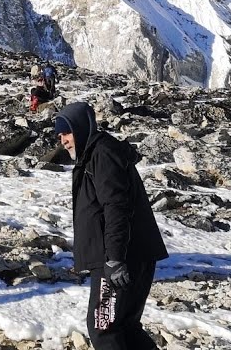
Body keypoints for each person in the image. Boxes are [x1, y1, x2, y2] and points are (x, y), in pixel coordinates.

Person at [56, 102, 167, 350]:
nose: (63, 141)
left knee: (103, 328)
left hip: (118, 258)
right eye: (60, 135)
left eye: (67, 133)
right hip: (130, 254)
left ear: (82, 128)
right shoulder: (95, 154)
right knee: (125, 326)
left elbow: (116, 206)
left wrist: (115, 259)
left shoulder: (102, 154)